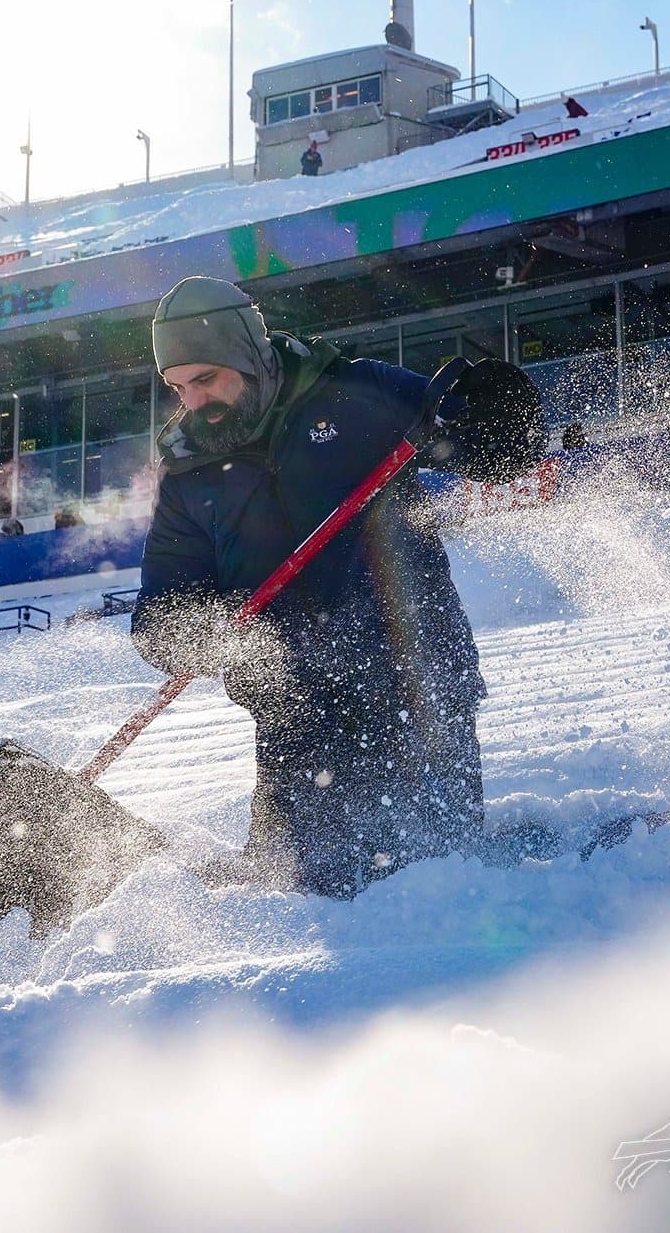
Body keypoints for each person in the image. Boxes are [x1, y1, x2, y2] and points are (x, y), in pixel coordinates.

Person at [131, 276, 545, 898]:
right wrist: (192, 635)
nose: (194, 400)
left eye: (207, 378)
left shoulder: (353, 393)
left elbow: (485, 447)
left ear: (248, 354)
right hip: (293, 718)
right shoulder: (189, 474)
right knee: (298, 897)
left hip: (413, 687)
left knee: (432, 884)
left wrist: (501, 420)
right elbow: (164, 605)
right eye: (178, 387)